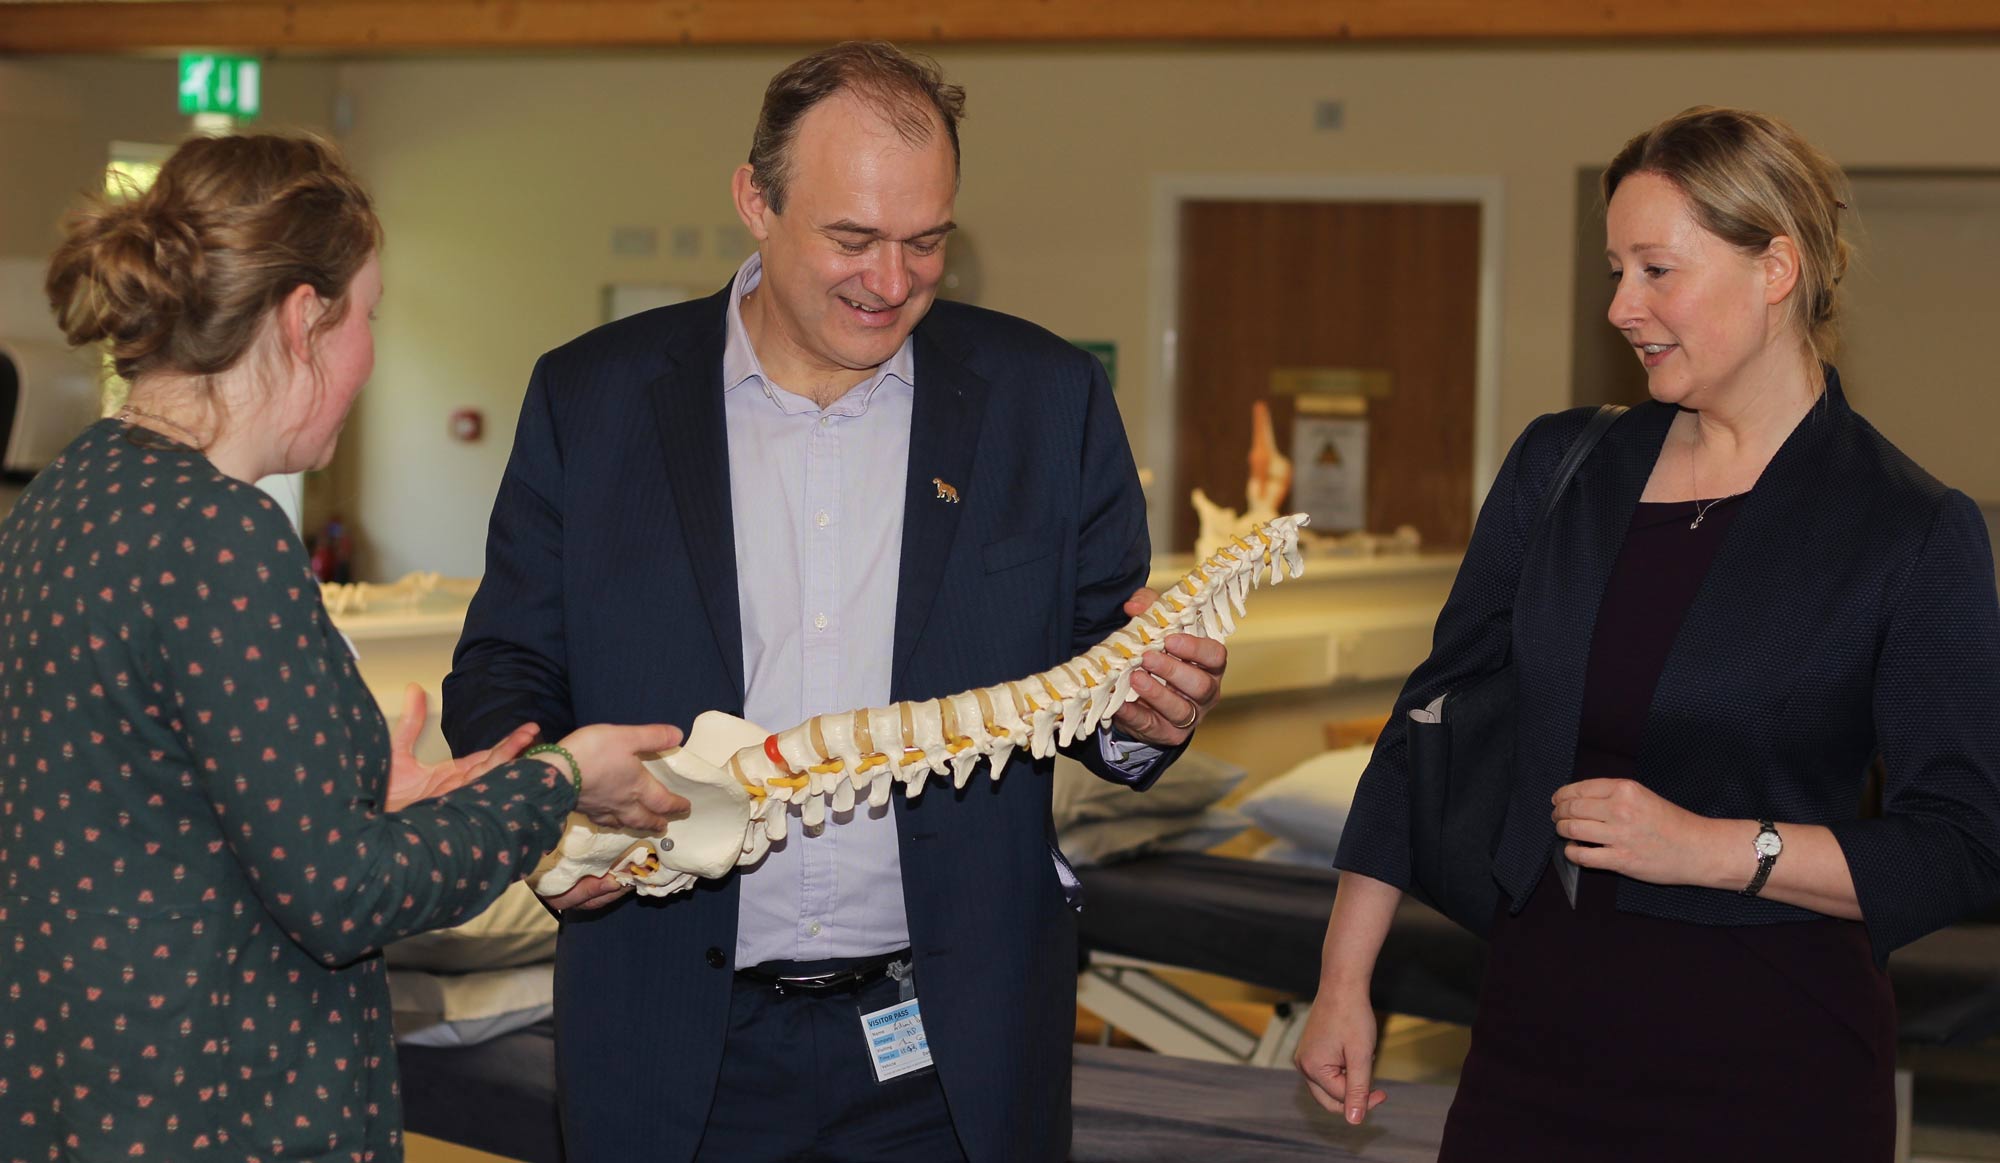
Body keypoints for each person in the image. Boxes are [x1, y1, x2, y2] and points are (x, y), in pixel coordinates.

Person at [442, 41, 1226, 1163]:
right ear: (754, 201)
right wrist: (554, 803)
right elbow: (505, 668)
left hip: (950, 1046)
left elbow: (1101, 668)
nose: (890, 280)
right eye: (851, 238)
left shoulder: (1043, 402)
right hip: (670, 1034)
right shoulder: (596, 397)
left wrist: (1150, 710)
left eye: (925, 241)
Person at [1296, 106, 2000, 1161]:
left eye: (1655, 270)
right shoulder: (1560, 468)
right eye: (1613, 268)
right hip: (1532, 1047)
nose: (1620, 305)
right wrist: (1341, 979)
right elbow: (1428, 722)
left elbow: (1960, 844)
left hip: (1769, 1066)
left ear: (1774, 268)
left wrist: (1710, 849)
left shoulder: (1902, 526)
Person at [0, 133, 688, 1161]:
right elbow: (344, 894)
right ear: (303, 318)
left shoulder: (76, 489)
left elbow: (158, 814)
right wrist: (559, 775)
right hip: (218, 1108)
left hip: (83, 1091)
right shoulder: (218, 536)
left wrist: (368, 800)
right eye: (368, 315)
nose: (369, 354)